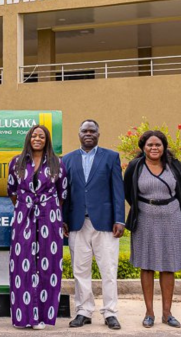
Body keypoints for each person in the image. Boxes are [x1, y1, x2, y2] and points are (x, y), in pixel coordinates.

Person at [61, 120, 125, 330]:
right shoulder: (68, 159)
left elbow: (117, 190)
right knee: (80, 271)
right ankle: (83, 311)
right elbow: (65, 194)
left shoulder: (111, 157)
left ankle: (110, 312)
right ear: (78, 134)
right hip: (77, 224)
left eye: (92, 131)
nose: (88, 134)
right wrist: (63, 220)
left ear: (99, 134)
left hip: (105, 224)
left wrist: (119, 219)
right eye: (84, 131)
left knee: (108, 269)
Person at [124, 130, 181, 329]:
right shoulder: (135, 166)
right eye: (150, 145)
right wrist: (144, 207)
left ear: (164, 147)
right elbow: (128, 192)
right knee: (147, 264)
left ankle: (167, 313)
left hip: (171, 216)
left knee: (169, 265)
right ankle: (149, 312)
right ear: (143, 147)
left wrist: (175, 213)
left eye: (158, 145)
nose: (154, 148)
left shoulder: (173, 165)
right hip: (145, 217)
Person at [8, 125, 68, 330]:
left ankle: (41, 316)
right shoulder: (16, 162)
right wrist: (25, 206)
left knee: (47, 264)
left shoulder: (57, 163)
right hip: (23, 216)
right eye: (34, 135)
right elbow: (12, 191)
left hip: (49, 217)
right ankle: (23, 317)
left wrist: (48, 210)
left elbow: (62, 194)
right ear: (28, 138)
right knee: (22, 263)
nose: (37, 138)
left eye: (41, 136)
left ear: (47, 140)